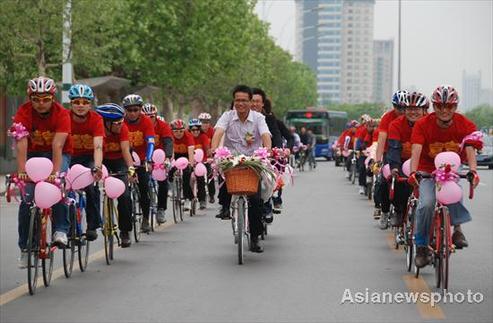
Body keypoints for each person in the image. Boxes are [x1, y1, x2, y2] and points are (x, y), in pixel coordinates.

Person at [408, 85, 481, 268]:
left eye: (449, 106)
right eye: (439, 106)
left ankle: (457, 230)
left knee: (453, 192)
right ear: (433, 106)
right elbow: (416, 150)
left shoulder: (465, 124)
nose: (444, 111)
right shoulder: (423, 124)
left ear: (455, 107)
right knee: (425, 204)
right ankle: (422, 247)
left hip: (451, 170)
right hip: (426, 169)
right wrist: (413, 172)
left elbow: (471, 148)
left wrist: (473, 170)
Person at [13, 76, 72, 268]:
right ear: (30, 98)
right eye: (36, 99)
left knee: (58, 187)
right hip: (33, 153)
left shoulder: (62, 114)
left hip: (58, 153)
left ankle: (61, 230)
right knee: (27, 199)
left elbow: (57, 145)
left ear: (53, 98)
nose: (41, 103)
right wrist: (22, 171)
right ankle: (26, 248)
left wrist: (55, 173)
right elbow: (21, 143)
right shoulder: (23, 112)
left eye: (45, 99)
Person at [211, 85, 272, 253]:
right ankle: (224, 206)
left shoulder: (259, 118)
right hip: (232, 161)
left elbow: (266, 136)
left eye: (244, 100)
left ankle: (254, 238)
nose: (241, 103)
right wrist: (214, 149)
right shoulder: (227, 116)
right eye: (237, 100)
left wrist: (267, 152)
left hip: (254, 162)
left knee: (255, 201)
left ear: (250, 102)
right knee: (219, 173)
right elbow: (217, 133)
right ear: (234, 101)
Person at [96, 103, 135, 248]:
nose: (121, 125)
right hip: (103, 161)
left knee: (124, 195)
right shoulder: (99, 130)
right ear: (106, 123)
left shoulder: (123, 129)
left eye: (122, 122)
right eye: (117, 123)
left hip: (119, 162)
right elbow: (97, 149)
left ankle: (125, 231)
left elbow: (125, 150)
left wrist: (130, 168)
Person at [387, 91, 428, 227]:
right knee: (398, 183)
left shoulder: (431, 123)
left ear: (424, 110)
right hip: (403, 161)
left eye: (417, 109)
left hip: (426, 163)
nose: (413, 112)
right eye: (410, 109)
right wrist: (394, 168)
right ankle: (399, 211)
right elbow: (393, 148)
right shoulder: (396, 125)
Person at [68, 84, 104, 241]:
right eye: (77, 102)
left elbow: (98, 146)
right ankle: (65, 227)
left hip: (89, 158)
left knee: (91, 186)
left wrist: (96, 167)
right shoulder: (65, 118)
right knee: (64, 187)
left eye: (85, 102)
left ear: (90, 104)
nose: (81, 106)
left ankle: (92, 225)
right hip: (69, 157)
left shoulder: (96, 119)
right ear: (71, 104)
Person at [374, 90, 408, 228]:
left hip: (408, 155)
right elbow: (382, 140)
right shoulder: (388, 118)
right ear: (394, 106)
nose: (401, 111)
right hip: (390, 153)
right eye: (398, 107)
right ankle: (385, 211)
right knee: (383, 182)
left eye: (404, 108)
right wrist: (378, 160)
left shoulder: (414, 117)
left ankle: (401, 210)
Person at [123, 94, 156, 233]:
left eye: (136, 110)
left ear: (140, 109)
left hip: (142, 160)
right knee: (124, 192)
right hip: (125, 159)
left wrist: (148, 160)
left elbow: (150, 142)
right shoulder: (121, 121)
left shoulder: (147, 121)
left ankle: (145, 219)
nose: (132, 113)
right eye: (129, 110)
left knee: (143, 188)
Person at [142, 103, 173, 224]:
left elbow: (168, 142)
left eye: (152, 116)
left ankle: (161, 209)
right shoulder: (141, 125)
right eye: (146, 117)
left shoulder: (163, 126)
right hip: (143, 157)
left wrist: (168, 158)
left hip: (159, 157)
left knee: (163, 182)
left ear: (156, 116)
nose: (149, 119)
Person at [169, 119, 195, 210]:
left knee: (186, 176)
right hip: (176, 155)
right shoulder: (170, 136)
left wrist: (190, 165)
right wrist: (171, 164)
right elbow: (171, 152)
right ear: (172, 131)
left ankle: (187, 199)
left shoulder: (188, 136)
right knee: (170, 171)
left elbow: (191, 152)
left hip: (186, 155)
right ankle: (173, 189)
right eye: (176, 131)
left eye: (181, 131)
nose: (178, 133)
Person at [188, 119, 211, 209]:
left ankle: (202, 200)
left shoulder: (203, 137)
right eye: (193, 130)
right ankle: (187, 197)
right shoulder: (188, 137)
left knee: (201, 179)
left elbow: (207, 148)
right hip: (189, 161)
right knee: (187, 177)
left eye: (197, 129)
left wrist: (210, 155)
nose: (195, 132)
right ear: (190, 130)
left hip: (201, 161)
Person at [198, 112, 216, 204]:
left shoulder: (212, 131)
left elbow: (215, 143)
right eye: (202, 122)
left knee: (210, 174)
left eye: (206, 122)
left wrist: (213, 155)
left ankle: (212, 194)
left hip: (209, 156)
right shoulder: (196, 131)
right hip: (198, 156)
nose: (204, 124)